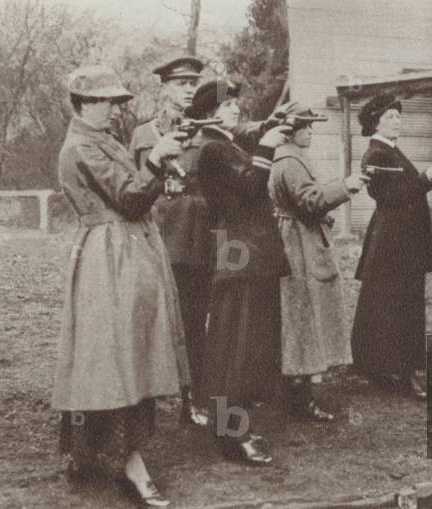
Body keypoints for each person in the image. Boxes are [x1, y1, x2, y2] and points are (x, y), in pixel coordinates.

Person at [54, 64, 189, 507]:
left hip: (127, 252)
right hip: (107, 257)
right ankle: (125, 461)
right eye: (108, 101)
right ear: (86, 103)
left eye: (117, 101)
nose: (116, 108)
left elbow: (135, 193)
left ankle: (94, 452)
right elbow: (129, 199)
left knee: (123, 351)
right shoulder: (79, 147)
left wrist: (160, 169)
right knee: (112, 355)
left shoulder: (103, 139)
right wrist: (153, 161)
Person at [185, 79, 292, 464]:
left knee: (246, 347)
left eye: (234, 103)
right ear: (207, 114)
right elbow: (249, 188)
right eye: (226, 105)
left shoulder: (225, 144)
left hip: (248, 254)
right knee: (235, 347)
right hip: (238, 254)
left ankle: (235, 426)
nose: (235, 109)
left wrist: (267, 133)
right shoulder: (213, 149)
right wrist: (267, 146)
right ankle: (231, 435)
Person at [269, 102, 370, 421]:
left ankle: (294, 391)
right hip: (299, 243)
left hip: (297, 237)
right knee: (303, 317)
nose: (311, 131)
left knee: (298, 317)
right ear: (290, 130)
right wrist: (345, 187)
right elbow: (309, 202)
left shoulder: (287, 157)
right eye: (306, 126)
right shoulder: (290, 160)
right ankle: (298, 398)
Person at [350, 93, 432, 399]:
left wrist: (427, 178)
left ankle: (387, 369)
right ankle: (398, 372)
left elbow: (403, 190)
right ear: (376, 122)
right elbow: (389, 197)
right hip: (393, 244)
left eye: (398, 116)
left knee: (396, 304)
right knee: (395, 305)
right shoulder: (376, 154)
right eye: (390, 117)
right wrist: (425, 179)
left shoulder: (389, 150)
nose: (398, 121)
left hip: (400, 241)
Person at [129, 56, 211, 427]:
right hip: (163, 238)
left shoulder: (206, 132)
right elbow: (138, 187)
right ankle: (141, 400)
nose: (189, 88)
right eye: (181, 83)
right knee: (155, 322)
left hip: (201, 239)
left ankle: (194, 400)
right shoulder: (146, 136)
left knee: (196, 322)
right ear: (164, 88)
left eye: (193, 82)